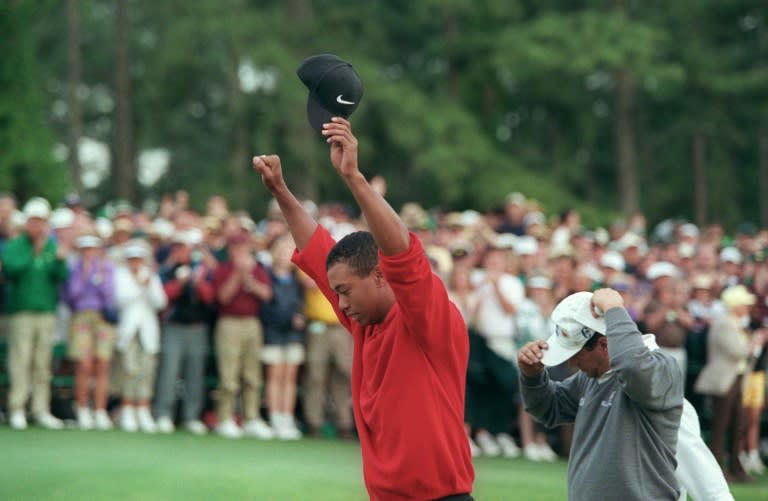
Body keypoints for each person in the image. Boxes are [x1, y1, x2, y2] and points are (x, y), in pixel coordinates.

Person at [252, 117, 474, 501]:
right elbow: (317, 247)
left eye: (344, 292)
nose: (339, 303)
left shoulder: (428, 320)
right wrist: (280, 190)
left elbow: (404, 254)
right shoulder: (365, 323)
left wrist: (354, 177)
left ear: (379, 275)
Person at [518, 288, 683, 501]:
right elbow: (549, 410)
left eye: (576, 354)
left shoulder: (661, 368)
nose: (571, 363)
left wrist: (614, 309)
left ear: (605, 345)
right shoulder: (590, 376)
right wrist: (532, 376)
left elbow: (632, 366)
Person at [3, 197, 70, 430]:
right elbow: (12, 270)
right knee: (20, 360)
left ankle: (40, 409)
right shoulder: (16, 245)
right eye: (34, 221)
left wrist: (59, 260)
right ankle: (17, 408)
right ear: (27, 222)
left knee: (42, 363)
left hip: (46, 311)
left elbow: (60, 276)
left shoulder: (51, 245)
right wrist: (34, 252)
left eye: (41, 222)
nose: (38, 226)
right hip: (21, 311)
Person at [694, 284, 762, 482]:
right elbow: (738, 351)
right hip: (724, 381)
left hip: (736, 379)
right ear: (735, 305)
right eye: (744, 304)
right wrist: (754, 343)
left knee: (737, 423)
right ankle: (719, 469)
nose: (747, 308)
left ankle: (735, 467)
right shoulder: (724, 323)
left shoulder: (734, 323)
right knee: (720, 425)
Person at [211, 230, 274, 439]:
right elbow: (222, 298)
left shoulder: (258, 269)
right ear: (230, 250)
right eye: (235, 248)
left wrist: (250, 281)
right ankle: (225, 419)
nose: (239, 252)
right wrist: (238, 275)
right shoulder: (223, 270)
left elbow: (266, 294)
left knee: (252, 375)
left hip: (252, 324)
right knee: (228, 375)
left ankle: (251, 418)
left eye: (243, 247)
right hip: (229, 323)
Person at [154, 232, 216, 435]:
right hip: (174, 327)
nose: (179, 251)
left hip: (197, 327)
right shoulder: (167, 270)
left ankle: (191, 416)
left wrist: (197, 284)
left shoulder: (201, 270)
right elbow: (162, 297)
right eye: (176, 247)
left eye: (183, 247)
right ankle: (164, 414)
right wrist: (179, 284)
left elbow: (209, 298)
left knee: (195, 375)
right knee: (169, 373)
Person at [62, 234, 116, 430]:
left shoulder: (106, 267)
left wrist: (99, 275)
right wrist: (84, 274)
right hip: (81, 317)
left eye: (92, 248)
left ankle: (100, 410)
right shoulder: (74, 267)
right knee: (84, 364)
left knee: (102, 363)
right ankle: (82, 408)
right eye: (85, 249)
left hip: (101, 318)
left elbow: (109, 295)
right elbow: (72, 295)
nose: (89, 253)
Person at [114, 241, 168, 433]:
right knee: (129, 370)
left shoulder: (150, 276)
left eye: (138, 260)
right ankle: (128, 408)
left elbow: (160, 302)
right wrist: (140, 286)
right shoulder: (120, 276)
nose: (135, 263)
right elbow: (120, 300)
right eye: (132, 260)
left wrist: (147, 285)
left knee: (146, 371)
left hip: (148, 331)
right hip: (128, 331)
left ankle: (143, 409)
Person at [260, 234, 305, 440]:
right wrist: (287, 319)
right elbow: (267, 307)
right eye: (281, 249)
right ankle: (275, 417)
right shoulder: (267, 275)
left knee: (290, 378)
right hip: (273, 331)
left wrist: (300, 318)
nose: (283, 253)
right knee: (274, 377)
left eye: (288, 249)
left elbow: (301, 305)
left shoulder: (298, 280)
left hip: (293, 334)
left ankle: (287, 417)